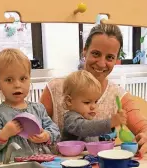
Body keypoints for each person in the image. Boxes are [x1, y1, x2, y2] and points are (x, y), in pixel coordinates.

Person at [40, 23, 147, 155]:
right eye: (96, 54)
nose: (102, 63)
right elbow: (35, 127)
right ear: (85, 51)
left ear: (116, 60)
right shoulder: (55, 88)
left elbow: (143, 127)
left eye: (110, 57)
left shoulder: (118, 95)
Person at [0, 48, 60, 163]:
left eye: (23, 78)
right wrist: (4, 134)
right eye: (9, 80)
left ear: (29, 79)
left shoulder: (38, 108)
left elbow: (55, 131)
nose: (17, 85)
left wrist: (46, 135)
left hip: (42, 166)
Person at [62, 70, 127, 142]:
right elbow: (84, 128)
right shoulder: (71, 119)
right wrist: (110, 123)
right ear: (69, 101)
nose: (93, 106)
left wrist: (109, 134)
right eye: (87, 102)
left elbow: (92, 135)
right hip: (72, 153)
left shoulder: (87, 118)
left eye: (95, 101)